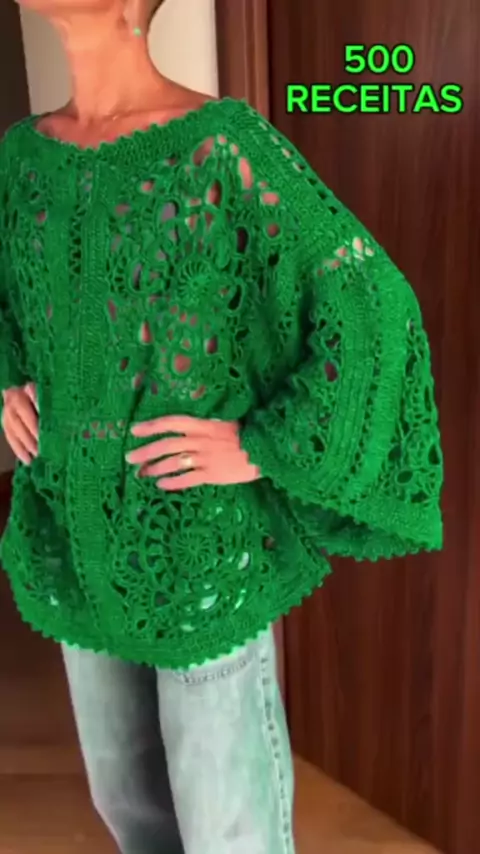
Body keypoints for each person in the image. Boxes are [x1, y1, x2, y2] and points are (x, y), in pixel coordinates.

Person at [0, 0, 443, 852]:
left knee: (227, 829)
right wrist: (8, 379)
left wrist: (262, 445)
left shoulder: (222, 145)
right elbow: (16, 296)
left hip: (203, 550)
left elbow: (370, 300)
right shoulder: (25, 157)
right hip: (78, 539)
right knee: (130, 807)